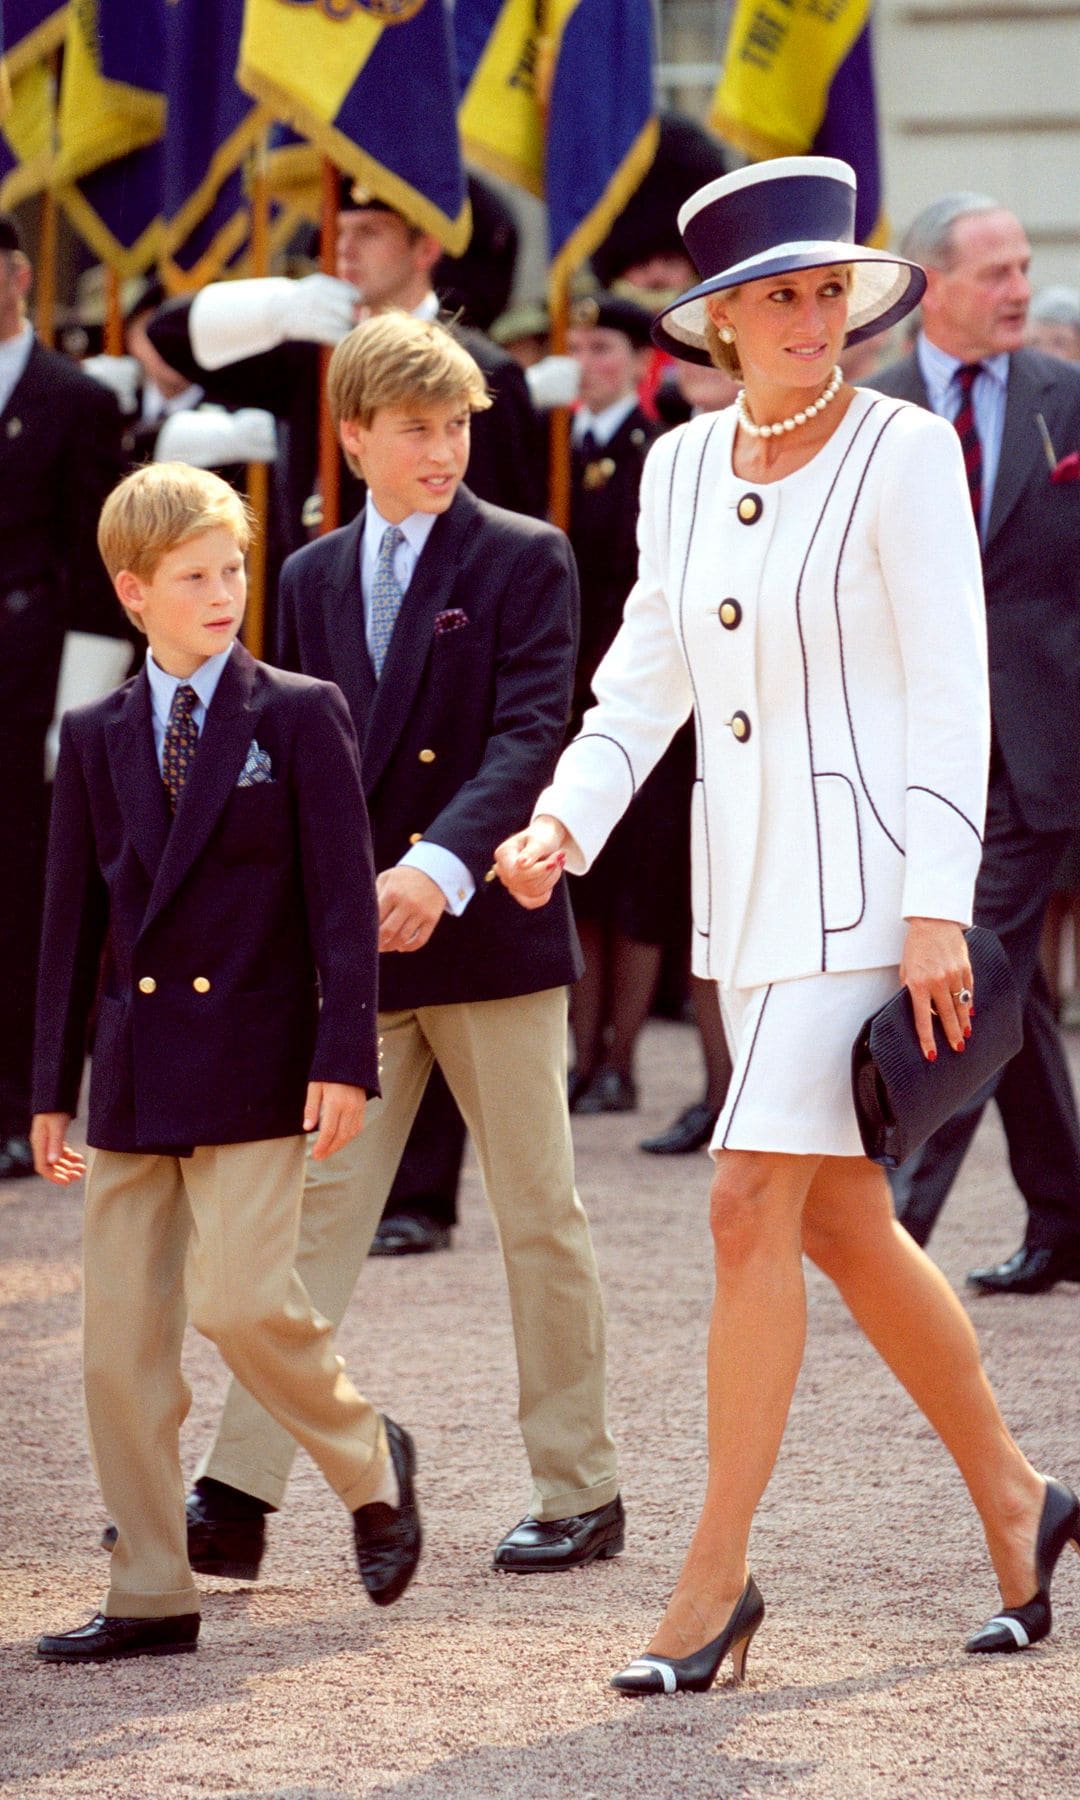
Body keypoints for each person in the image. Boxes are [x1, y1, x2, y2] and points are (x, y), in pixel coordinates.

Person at [495, 157, 1079, 1693]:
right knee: (841, 1225)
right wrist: (564, 816)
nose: (815, 318)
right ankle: (1023, 1502)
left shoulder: (901, 452)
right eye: (784, 297)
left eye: (832, 291)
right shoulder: (681, 472)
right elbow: (642, 681)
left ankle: (712, 1586)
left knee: (746, 1203)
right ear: (724, 321)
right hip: (744, 912)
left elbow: (955, 691)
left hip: (878, 901)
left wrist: (940, 909)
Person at [173, 314, 622, 1584]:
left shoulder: (526, 555)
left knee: (541, 1214)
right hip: (358, 948)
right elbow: (296, 764)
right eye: (417, 428)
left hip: (487, 928)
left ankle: (581, 1490)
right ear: (355, 435)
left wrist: (437, 868)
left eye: (461, 424)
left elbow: (534, 734)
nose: (445, 448)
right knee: (311, 1225)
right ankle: (239, 1492)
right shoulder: (310, 575)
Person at [31, 463, 421, 1662]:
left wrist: (345, 1053)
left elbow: (343, 901)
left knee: (243, 1301)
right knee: (117, 1354)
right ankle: (151, 1591)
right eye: (195, 576)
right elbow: (66, 923)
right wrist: (49, 1089)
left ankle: (369, 1459)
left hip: (259, 1055)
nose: (224, 593)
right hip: (138, 1072)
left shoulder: (296, 711)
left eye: (234, 569)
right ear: (133, 592)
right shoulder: (95, 731)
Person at [149, 176, 549, 1260]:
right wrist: (284, 304)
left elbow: (510, 555)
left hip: (460, 755)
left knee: (526, 1181)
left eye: (368, 230)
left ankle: (424, 1191)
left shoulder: (490, 384)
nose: (346, 246)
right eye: (340, 227)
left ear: (425, 245)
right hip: (352, 724)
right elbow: (166, 338)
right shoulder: (317, 345)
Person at [873, 195, 1080, 1292]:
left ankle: (895, 1227)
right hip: (921, 753)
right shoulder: (872, 410)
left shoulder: (1070, 401)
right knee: (1021, 996)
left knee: (973, 964)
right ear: (930, 284)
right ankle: (1068, 1217)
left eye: (1022, 267)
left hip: (1050, 746)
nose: (1017, 290)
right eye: (994, 272)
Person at [0, 211, 128, 1184]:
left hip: (30, 676)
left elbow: (96, 569)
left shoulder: (73, 399)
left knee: (25, 901)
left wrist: (75, 715)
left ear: (19, 274)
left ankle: (18, 1104)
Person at [563, 294, 665, 1112]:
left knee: (634, 887)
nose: (585, 363)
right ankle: (579, 1054)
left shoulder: (652, 446)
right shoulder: (549, 446)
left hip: (634, 690)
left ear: (637, 362)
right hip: (563, 692)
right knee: (577, 883)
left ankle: (621, 1060)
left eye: (602, 348)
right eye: (577, 347)